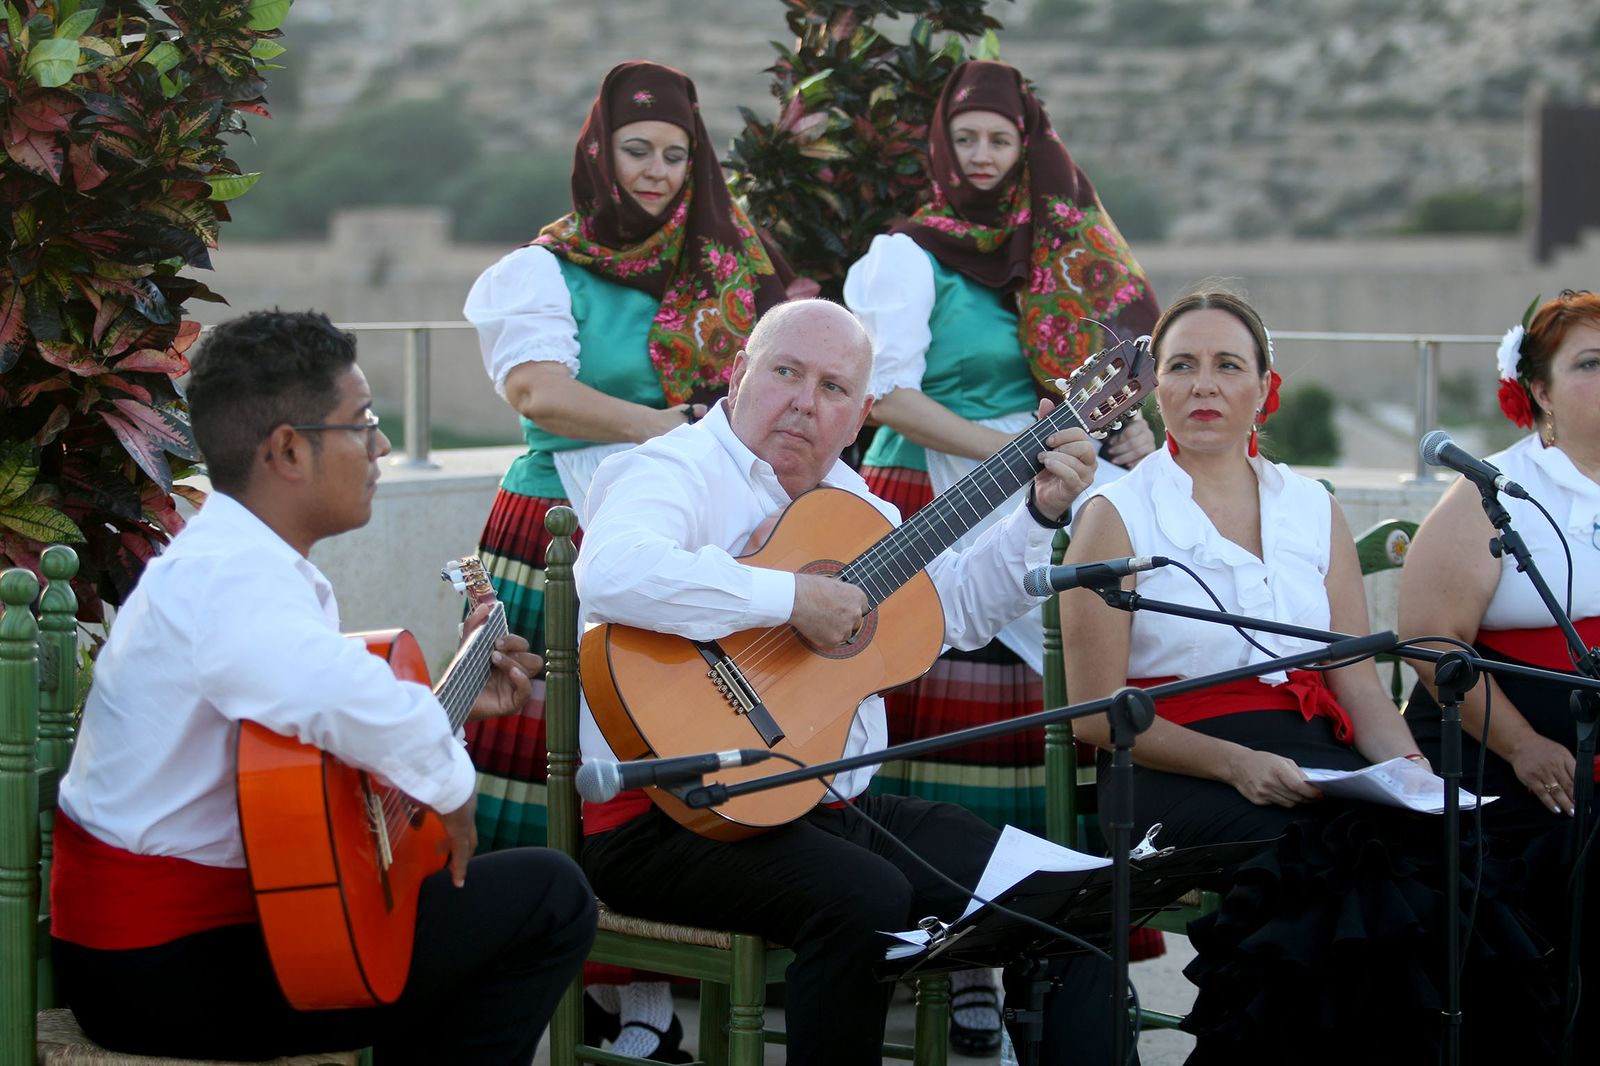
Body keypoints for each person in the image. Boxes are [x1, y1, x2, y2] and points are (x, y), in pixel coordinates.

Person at [574, 298, 1120, 1066]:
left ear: (861, 415)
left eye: (833, 388)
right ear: (740, 375)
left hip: (823, 801)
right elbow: (611, 571)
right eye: (786, 372)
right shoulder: (670, 470)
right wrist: (793, 597)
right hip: (665, 816)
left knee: (1069, 889)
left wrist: (1037, 511)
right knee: (864, 899)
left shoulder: (855, 505)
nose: (803, 400)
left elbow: (954, 611)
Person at [50, 310, 595, 1064]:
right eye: (362, 423)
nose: (380, 446)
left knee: (450, 902)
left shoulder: (244, 562)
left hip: (206, 938)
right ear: (287, 449)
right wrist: (449, 782)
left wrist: (450, 718)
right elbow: (341, 699)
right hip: (164, 967)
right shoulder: (229, 579)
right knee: (550, 894)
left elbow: (326, 748)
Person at [1059, 288, 1554, 1062]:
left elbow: (1354, 676)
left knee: (1444, 859)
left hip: (1315, 757)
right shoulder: (1115, 514)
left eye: (1228, 365)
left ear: (1265, 387)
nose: (1204, 385)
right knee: (1334, 866)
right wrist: (1239, 764)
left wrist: (1412, 770)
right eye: (1182, 366)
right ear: (1156, 390)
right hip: (1174, 760)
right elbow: (1096, 716)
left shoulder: (1310, 506)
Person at [461, 60, 804, 1059]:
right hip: (557, 531)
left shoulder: (725, 267)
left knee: (652, 743)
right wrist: (665, 426)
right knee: (544, 760)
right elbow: (537, 392)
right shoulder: (544, 268)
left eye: (675, 154)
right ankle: (532, 972)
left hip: (679, 531)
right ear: (597, 154)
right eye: (636, 150)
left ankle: (644, 1002)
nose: (655, 172)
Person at [842, 58, 1162, 1048]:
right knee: (938, 734)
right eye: (966, 138)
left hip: (1039, 496)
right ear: (940, 147)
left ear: (1028, 148)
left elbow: (1099, 385)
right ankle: (951, 957)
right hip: (928, 498)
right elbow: (883, 395)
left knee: (1020, 742)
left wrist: (1119, 443)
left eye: (1000, 139)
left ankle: (1010, 955)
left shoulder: (1058, 253)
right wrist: (1019, 451)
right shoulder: (906, 254)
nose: (983, 157)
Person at [1398, 289, 1600, 1047]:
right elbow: (1428, 638)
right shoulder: (1491, 493)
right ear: (1538, 391)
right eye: (1591, 363)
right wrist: (1525, 747)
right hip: (1506, 768)